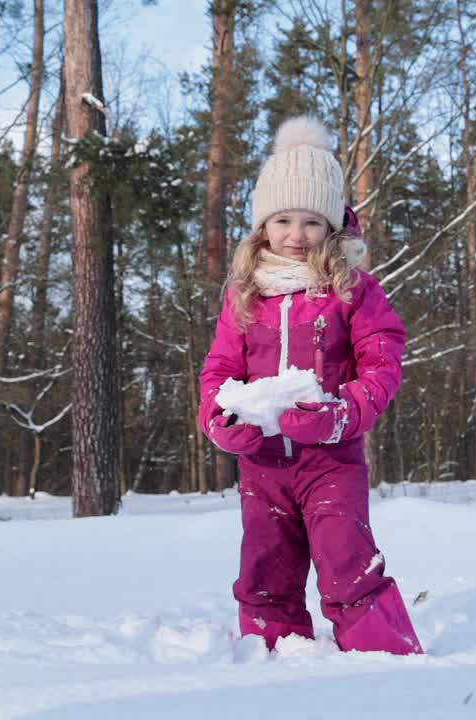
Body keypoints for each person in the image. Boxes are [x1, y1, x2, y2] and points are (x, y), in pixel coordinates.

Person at [196, 116, 422, 655]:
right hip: (263, 463)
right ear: (262, 226)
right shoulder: (245, 295)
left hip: (331, 460)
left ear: (333, 227)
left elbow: (381, 365)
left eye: (311, 223)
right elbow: (218, 373)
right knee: (265, 566)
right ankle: (273, 664)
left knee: (347, 560)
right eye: (282, 220)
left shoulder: (352, 289)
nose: (296, 236)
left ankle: (384, 663)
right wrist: (220, 421)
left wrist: (338, 413)